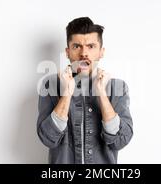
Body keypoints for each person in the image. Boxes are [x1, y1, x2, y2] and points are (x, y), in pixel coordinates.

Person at [37, 17, 133, 164]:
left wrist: (101, 93)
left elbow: (120, 141)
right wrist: (67, 93)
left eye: (91, 46)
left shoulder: (118, 88)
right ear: (68, 52)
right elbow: (48, 139)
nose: (84, 53)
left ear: (101, 52)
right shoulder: (50, 85)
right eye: (77, 46)